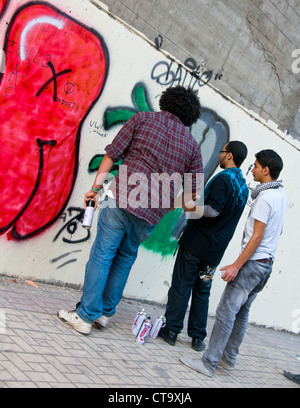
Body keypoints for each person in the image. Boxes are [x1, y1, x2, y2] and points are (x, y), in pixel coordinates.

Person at [57, 86, 203, 335]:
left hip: (121, 198)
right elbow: (192, 195)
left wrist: (95, 187)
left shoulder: (143, 119)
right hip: (150, 214)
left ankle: (84, 316)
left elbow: (112, 155)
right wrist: (166, 204)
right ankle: (103, 313)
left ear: (166, 101)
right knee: (125, 258)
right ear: (191, 116)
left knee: (102, 255)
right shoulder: (192, 146)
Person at [180, 149, 288, 377]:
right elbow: (277, 231)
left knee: (226, 312)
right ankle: (228, 359)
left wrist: (237, 265)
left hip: (252, 264)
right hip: (265, 264)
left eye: (257, 166)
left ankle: (208, 363)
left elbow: (257, 236)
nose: (253, 169)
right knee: (242, 313)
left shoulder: (265, 198)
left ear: (266, 170)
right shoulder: (280, 195)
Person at [158, 141, 249, 351]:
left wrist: (189, 207)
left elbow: (214, 211)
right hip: (213, 253)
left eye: (222, 151)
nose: (219, 155)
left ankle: (171, 330)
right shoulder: (243, 187)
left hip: (195, 246)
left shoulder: (223, 179)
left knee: (182, 285)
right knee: (202, 291)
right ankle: (198, 337)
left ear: (229, 156)